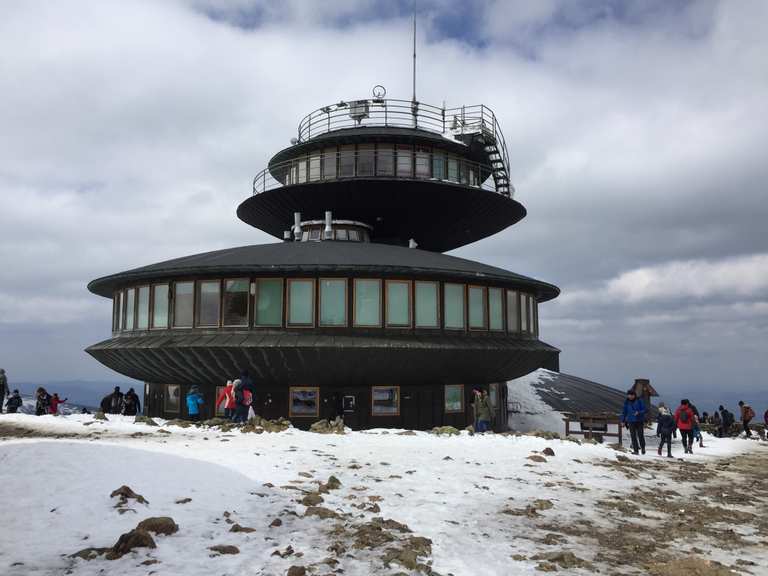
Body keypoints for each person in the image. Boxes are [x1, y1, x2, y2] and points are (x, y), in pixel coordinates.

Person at [621, 389, 647, 455]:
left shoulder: (639, 400)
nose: (629, 396)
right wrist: (623, 421)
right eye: (628, 395)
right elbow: (624, 412)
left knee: (640, 435)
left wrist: (639, 412)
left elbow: (645, 409)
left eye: (630, 395)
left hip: (639, 420)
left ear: (634, 395)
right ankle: (636, 450)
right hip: (631, 421)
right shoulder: (627, 402)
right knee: (633, 436)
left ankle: (643, 447)